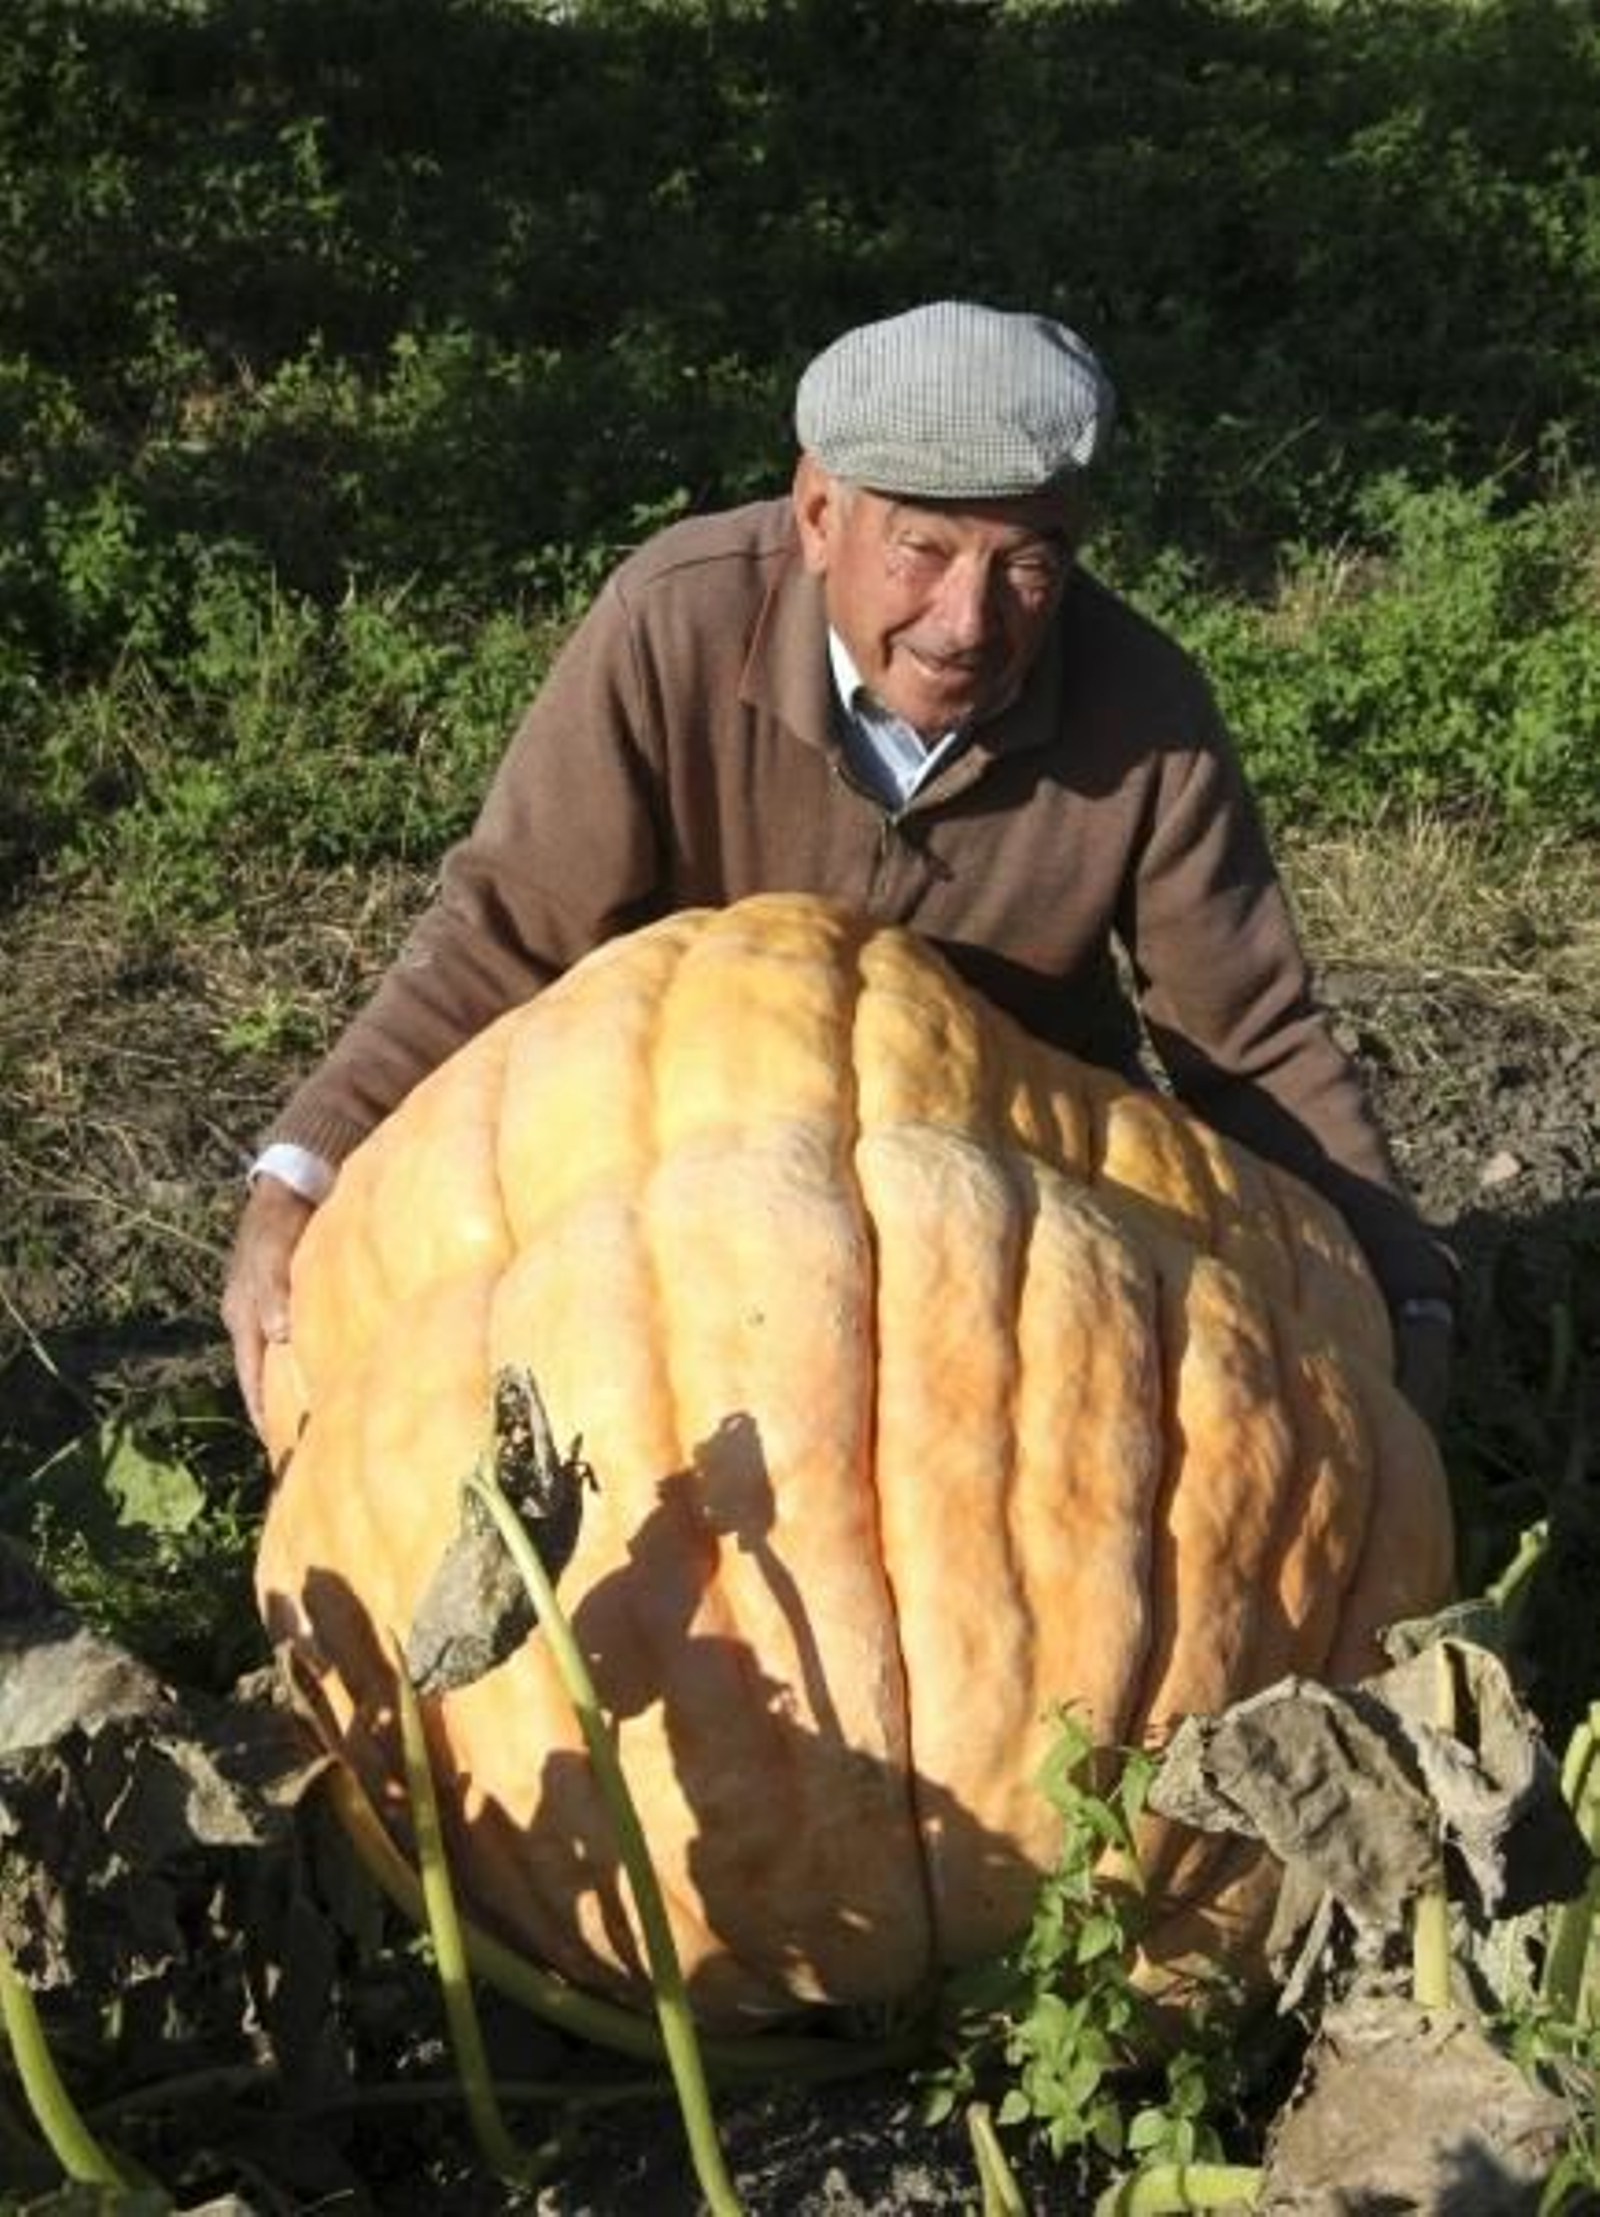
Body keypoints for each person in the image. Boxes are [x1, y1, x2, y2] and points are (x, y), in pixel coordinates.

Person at [223, 300, 1455, 1432]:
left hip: (999, 1218)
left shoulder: (1146, 712)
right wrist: (306, 1162)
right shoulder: (675, 625)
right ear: (820, 514)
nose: (970, 621)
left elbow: (1248, 1042)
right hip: (675, 1193)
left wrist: (1401, 1283)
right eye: (922, 551)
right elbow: (509, 923)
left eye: (1029, 563)